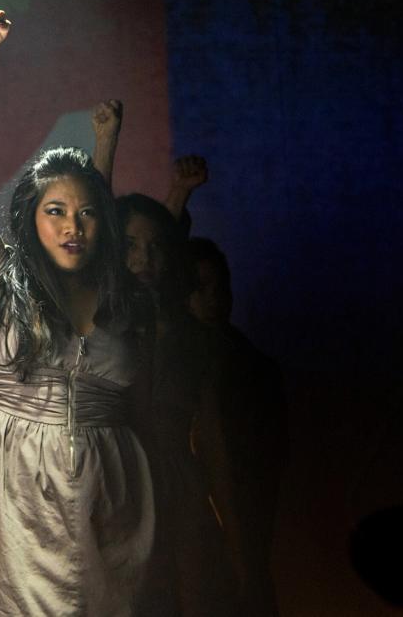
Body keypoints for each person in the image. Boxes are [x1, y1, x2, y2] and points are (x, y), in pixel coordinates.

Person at [0, 12, 158, 616]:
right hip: (21, 512)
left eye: (84, 214)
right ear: (29, 220)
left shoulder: (121, 298)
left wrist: (104, 150)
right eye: (54, 212)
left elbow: (97, 232)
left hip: (115, 512)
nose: (71, 227)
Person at [117, 193, 239, 617]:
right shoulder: (108, 327)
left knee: (192, 594)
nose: (143, 258)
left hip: (178, 487)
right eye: (130, 246)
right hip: (122, 484)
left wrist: (237, 536)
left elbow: (213, 436)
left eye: (154, 248)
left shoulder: (191, 336)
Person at [187, 237, 287, 617]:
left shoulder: (255, 366)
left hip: (252, 519)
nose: (213, 299)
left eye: (220, 287)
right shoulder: (177, 365)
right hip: (203, 524)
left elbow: (273, 457)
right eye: (200, 288)